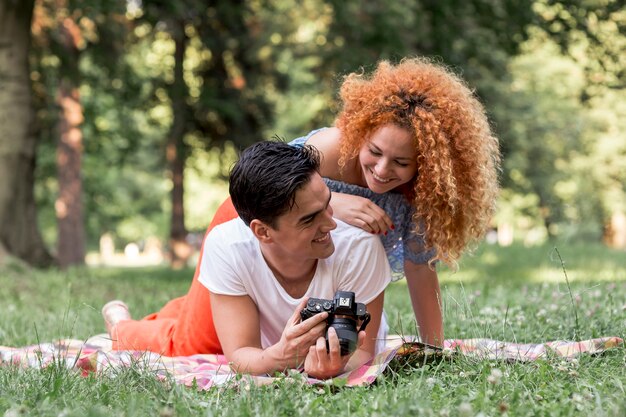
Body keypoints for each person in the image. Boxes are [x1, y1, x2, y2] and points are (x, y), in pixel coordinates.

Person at [207, 57, 500, 347]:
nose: (382, 170)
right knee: (206, 341)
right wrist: (335, 202)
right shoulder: (328, 150)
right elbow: (269, 182)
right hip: (252, 235)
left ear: (424, 165)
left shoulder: (420, 196)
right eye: (374, 151)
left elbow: (420, 269)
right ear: (362, 134)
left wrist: (434, 347)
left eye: (401, 162)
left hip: (318, 273)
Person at [103, 141, 391, 379]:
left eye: (328, 204)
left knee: (190, 319)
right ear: (262, 231)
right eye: (309, 219)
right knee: (186, 342)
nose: (331, 224)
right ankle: (120, 325)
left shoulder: (359, 248)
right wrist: (278, 357)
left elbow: (363, 355)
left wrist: (334, 369)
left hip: (246, 308)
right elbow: (240, 354)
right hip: (250, 321)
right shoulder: (228, 245)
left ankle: (178, 309)